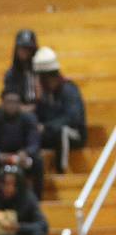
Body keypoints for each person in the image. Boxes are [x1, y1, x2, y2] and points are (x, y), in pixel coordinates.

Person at [33, 46, 87, 174]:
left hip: (74, 133)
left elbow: (72, 118)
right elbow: (42, 117)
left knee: (62, 131)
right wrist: (39, 101)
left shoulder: (69, 90)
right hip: (52, 132)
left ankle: (61, 169)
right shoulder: (45, 94)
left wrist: (46, 127)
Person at [0, 88, 44, 198]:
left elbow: (34, 142)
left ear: (20, 104)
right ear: (2, 103)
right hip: (0, 156)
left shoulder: (29, 119)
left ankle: (37, 198)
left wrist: (26, 152)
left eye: (15, 102)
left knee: (38, 162)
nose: (11, 105)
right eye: (8, 102)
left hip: (22, 156)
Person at [3, 29, 39, 109]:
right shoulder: (11, 74)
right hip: (19, 113)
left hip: (42, 111)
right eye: (22, 48)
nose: (25, 51)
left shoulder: (42, 71)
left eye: (28, 48)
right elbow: (8, 98)